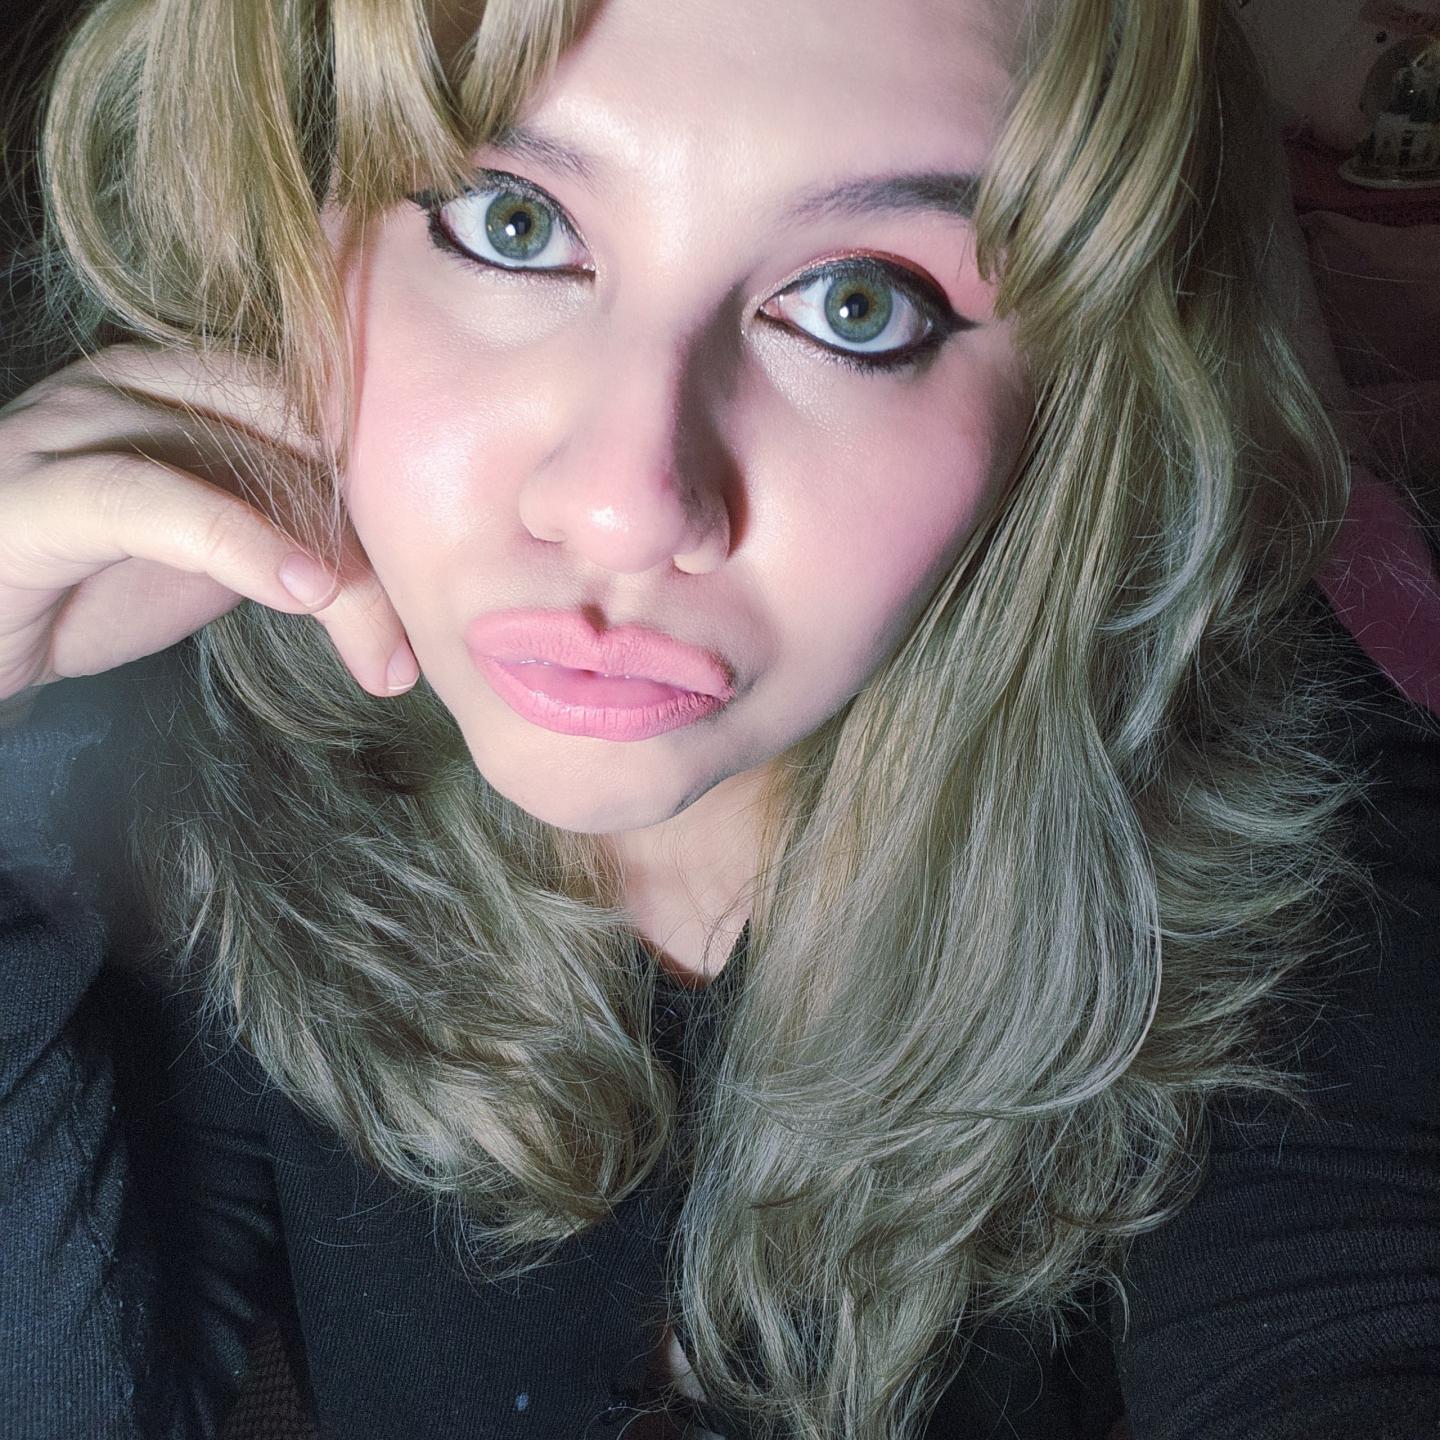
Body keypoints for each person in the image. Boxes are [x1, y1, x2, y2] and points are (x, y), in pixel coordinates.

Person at [0, 0, 1437, 1437]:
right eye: (510, 225)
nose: (626, 508)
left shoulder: (1318, 864)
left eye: (858, 305)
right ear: (290, 232)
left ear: (1065, 398)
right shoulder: (192, 741)